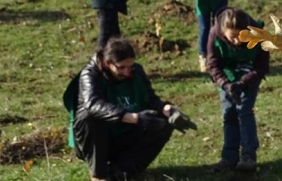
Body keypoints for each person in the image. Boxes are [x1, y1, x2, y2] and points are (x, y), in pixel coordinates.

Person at [63, 37, 197, 181]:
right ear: (108, 64)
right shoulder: (90, 74)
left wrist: (167, 109)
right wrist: (134, 118)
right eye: (121, 68)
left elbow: (150, 99)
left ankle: (120, 173)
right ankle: (99, 176)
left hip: (125, 133)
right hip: (97, 140)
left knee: (162, 123)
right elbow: (93, 104)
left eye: (130, 66)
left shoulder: (136, 71)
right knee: (89, 116)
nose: (127, 72)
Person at [207, 7, 270, 172]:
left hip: (248, 76)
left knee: (244, 111)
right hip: (226, 77)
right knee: (229, 114)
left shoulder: (259, 34)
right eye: (232, 37)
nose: (237, 42)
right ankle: (229, 158)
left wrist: (243, 83)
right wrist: (225, 84)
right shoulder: (214, 34)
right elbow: (212, 64)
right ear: (223, 31)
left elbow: (262, 66)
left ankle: (248, 156)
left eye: (241, 37)